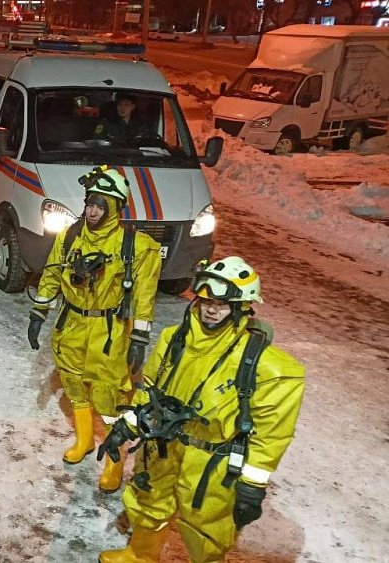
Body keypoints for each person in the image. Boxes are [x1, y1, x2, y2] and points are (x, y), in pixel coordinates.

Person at [97, 257, 305, 563]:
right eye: (206, 300)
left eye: (221, 304)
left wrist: (252, 485)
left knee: (206, 528)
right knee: (147, 502)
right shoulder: (173, 340)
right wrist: (127, 424)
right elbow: (151, 390)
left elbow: (271, 435)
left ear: (242, 307)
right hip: (163, 446)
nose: (210, 309)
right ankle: (140, 555)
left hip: (213, 460)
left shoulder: (268, 367)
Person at [27, 166, 161, 493]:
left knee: (109, 397)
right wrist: (39, 311)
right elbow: (52, 273)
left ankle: (114, 462)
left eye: (101, 204)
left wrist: (139, 337)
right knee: (72, 382)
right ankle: (85, 440)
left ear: (115, 207)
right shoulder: (71, 236)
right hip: (71, 323)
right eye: (90, 202)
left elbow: (144, 295)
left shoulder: (136, 246)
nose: (93, 210)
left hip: (109, 330)